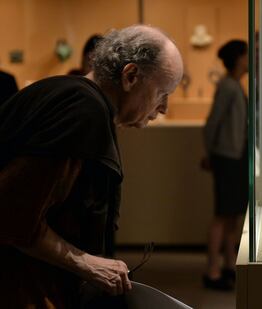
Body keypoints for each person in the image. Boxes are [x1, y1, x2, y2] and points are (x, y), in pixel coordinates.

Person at [0, 24, 183, 308]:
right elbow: (13, 215)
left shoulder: (71, 95)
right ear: (131, 76)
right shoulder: (83, 109)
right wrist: (87, 263)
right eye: (162, 93)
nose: (164, 108)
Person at [202, 40, 248, 291]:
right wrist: (209, 153)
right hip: (227, 157)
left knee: (232, 215)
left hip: (235, 156)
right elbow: (212, 123)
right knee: (222, 214)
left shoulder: (234, 85)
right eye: (246, 55)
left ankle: (230, 265)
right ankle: (213, 270)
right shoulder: (228, 87)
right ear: (239, 58)